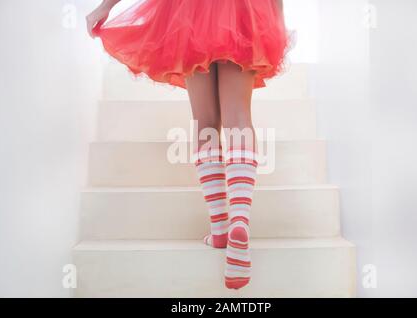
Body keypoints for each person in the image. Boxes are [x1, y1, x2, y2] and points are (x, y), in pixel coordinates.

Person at [87, 0, 289, 290]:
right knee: (239, 116)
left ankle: (220, 226)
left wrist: (105, 7)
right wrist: (277, 16)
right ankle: (239, 221)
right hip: (246, 7)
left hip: (191, 9)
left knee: (205, 121)